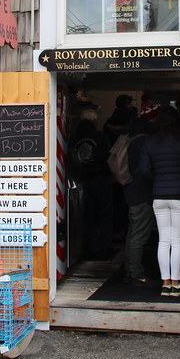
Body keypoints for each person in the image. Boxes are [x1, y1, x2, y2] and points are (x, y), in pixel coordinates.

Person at [136, 106, 180, 296]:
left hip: (159, 195)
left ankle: (165, 284)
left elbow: (144, 170)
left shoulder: (149, 142)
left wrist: (158, 180)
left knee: (164, 240)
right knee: (177, 241)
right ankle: (176, 284)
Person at [110, 117, 154, 285]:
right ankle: (136, 274)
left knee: (133, 233)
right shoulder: (143, 143)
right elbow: (145, 171)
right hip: (141, 194)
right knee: (139, 236)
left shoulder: (129, 140)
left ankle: (129, 270)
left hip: (130, 192)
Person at [69, 107, 113, 261]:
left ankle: (88, 246)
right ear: (94, 120)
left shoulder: (74, 136)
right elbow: (109, 157)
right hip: (101, 179)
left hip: (81, 180)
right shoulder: (100, 136)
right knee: (105, 213)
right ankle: (105, 246)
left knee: (87, 214)